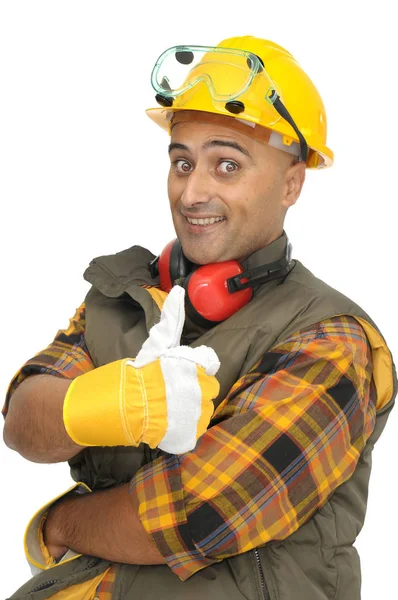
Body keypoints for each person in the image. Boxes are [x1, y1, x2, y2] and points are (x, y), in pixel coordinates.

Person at [3, 36, 396, 600]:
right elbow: (22, 420)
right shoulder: (124, 297)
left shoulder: (329, 338)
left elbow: (198, 516)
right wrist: (111, 405)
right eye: (182, 162)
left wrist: (61, 523)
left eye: (227, 165)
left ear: (292, 183)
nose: (192, 191)